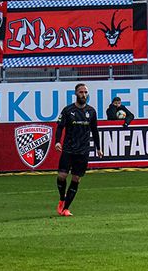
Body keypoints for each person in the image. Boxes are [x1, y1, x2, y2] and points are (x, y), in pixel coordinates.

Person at [55, 82, 103, 217]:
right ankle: (62, 198)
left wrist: (98, 147)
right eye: (81, 92)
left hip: (83, 151)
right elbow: (60, 127)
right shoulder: (67, 110)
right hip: (68, 149)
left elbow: (95, 130)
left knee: (76, 178)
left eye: (85, 92)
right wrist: (57, 141)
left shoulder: (91, 111)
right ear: (76, 93)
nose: (84, 94)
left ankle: (66, 208)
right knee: (62, 176)